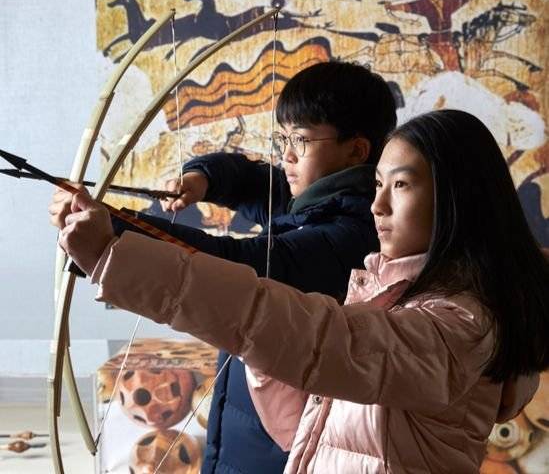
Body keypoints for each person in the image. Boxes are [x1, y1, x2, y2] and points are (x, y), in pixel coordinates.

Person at [56, 109, 549, 473]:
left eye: (400, 185)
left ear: (458, 199)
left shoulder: (460, 325)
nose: (377, 205)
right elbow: (309, 431)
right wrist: (268, 361)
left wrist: (114, 246)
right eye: (377, 184)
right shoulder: (390, 292)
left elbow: (321, 338)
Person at [49, 61, 397, 473]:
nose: (286, 154)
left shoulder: (353, 232)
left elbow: (232, 265)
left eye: (300, 140)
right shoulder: (310, 201)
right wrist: (201, 178)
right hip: (246, 424)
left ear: (356, 151)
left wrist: (110, 231)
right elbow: (248, 177)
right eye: (283, 138)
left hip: (284, 444)